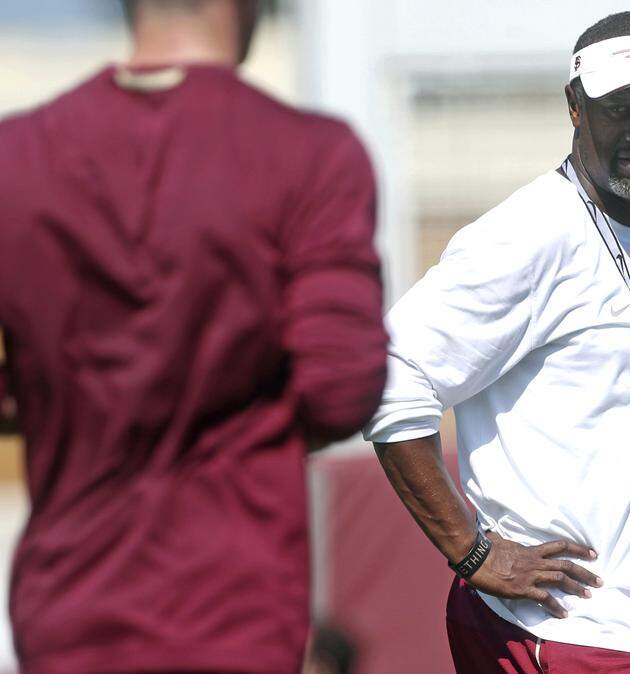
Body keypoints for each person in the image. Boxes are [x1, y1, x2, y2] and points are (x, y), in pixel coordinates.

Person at [0, 1, 388, 671]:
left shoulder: (16, 156)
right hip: (233, 608)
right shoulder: (311, 154)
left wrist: (64, 398)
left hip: (65, 608)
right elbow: (339, 392)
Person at [365, 10, 630, 673]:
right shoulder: (530, 234)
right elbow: (389, 375)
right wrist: (472, 550)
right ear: (575, 108)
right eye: (619, 108)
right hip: (570, 630)